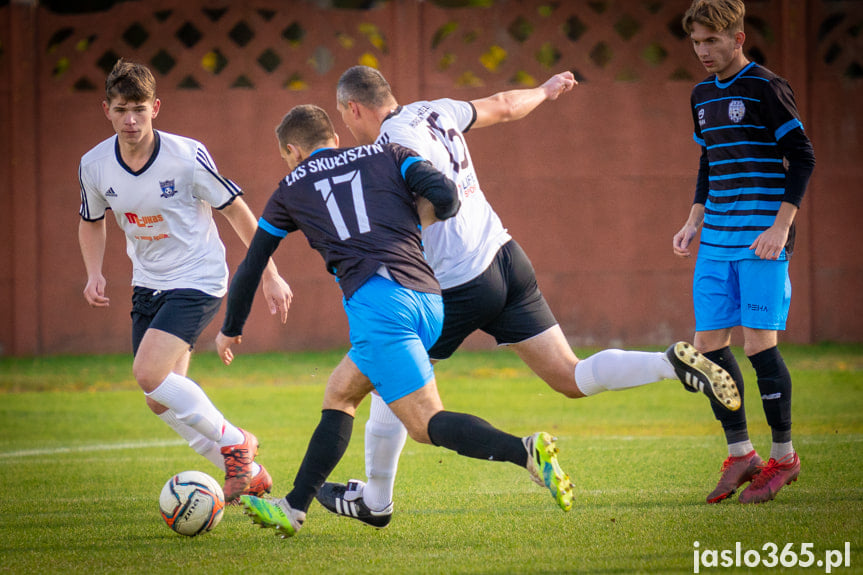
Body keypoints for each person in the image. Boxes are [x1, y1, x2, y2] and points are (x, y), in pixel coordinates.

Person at [312, 66, 742, 527]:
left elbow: (437, 200)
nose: (345, 127)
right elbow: (502, 105)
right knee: (570, 376)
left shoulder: (388, 148)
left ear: (354, 107)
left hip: (458, 283)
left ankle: (376, 500)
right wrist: (544, 90)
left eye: (343, 115)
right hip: (506, 257)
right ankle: (668, 364)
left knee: (390, 375)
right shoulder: (434, 110)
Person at [216, 104, 575, 538]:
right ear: (332, 135)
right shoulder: (386, 153)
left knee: (425, 424)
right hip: (429, 297)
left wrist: (231, 326)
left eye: (286, 156)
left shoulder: (291, 186)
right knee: (342, 390)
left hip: (379, 306)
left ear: (292, 151)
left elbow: (253, 262)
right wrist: (408, 227)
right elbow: (447, 195)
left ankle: (525, 452)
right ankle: (293, 507)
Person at [78, 59, 291, 502]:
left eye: (139, 108)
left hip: (199, 277)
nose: (131, 119)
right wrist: (94, 271)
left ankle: (236, 441)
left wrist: (269, 273)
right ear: (107, 110)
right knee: (159, 398)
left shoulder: (186, 156)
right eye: (121, 110)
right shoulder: (94, 165)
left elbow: (236, 211)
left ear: (156, 107)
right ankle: (248, 473)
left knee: (147, 373)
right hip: (148, 283)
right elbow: (91, 220)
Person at [672, 0, 815, 504]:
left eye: (712, 40)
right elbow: (709, 158)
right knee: (707, 349)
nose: (703, 51)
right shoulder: (700, 94)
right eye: (696, 42)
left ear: (738, 38)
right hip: (715, 239)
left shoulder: (767, 87)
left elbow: (802, 157)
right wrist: (693, 218)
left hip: (760, 238)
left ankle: (784, 456)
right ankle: (741, 454)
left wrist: (781, 227)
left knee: (759, 346)